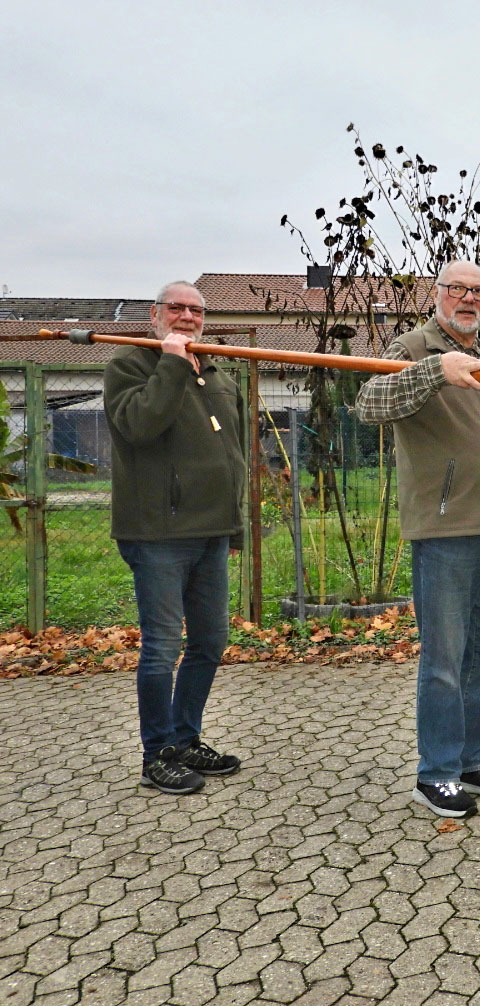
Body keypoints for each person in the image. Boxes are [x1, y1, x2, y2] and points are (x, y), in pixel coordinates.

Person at [355, 261, 480, 820]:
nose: (469, 299)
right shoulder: (414, 348)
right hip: (445, 530)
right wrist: (435, 371)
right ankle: (437, 772)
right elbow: (369, 404)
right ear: (438, 295)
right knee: (445, 660)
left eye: (478, 291)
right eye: (458, 289)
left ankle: (474, 761)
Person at [104, 281, 245, 795]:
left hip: (212, 532)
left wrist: (235, 526)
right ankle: (156, 754)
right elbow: (140, 425)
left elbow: (232, 455)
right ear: (155, 314)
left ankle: (185, 739)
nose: (187, 316)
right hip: (158, 533)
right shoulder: (130, 365)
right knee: (162, 646)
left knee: (210, 641)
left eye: (196, 310)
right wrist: (170, 362)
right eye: (176, 308)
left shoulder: (216, 373)